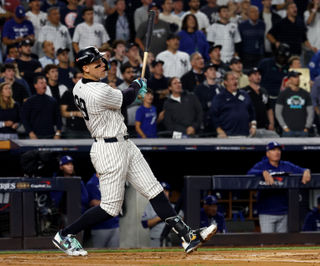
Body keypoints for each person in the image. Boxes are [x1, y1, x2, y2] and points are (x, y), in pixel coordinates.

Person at [52, 46, 217, 256]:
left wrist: (134, 89)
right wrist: (136, 85)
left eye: (102, 61)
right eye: (97, 63)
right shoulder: (97, 90)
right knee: (110, 207)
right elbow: (126, 98)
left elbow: (125, 96)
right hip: (108, 148)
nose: (103, 65)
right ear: (85, 68)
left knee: (154, 189)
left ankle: (186, 235)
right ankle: (65, 234)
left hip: (124, 143)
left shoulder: (79, 87)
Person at [247, 141, 311, 233]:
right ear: (267, 153)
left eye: (278, 150)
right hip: (266, 212)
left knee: (282, 244)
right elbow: (249, 174)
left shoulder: (286, 165)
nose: (277, 152)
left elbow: (302, 170)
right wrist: (262, 172)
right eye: (273, 150)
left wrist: (307, 171)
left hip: (283, 212)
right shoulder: (262, 165)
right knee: (268, 243)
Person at [210, 72, 256, 138]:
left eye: (236, 79)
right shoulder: (219, 97)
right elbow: (213, 115)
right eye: (232, 79)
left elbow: (252, 112)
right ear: (225, 82)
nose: (235, 81)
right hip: (227, 135)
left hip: (245, 135)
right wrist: (219, 130)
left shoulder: (245, 95)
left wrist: (253, 126)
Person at [275, 71, 314, 137]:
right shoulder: (283, 94)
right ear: (289, 79)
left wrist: (307, 127)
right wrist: (284, 127)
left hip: (303, 130)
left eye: (298, 77)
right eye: (295, 77)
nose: (297, 79)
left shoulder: (305, 93)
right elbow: (278, 112)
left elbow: (310, 112)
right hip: (288, 131)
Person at [86, 173, 120, 248]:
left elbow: (117, 200)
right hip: (100, 226)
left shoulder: (111, 180)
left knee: (115, 254)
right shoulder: (92, 183)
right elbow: (93, 203)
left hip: (114, 224)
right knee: (99, 254)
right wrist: (111, 202)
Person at [243, 67, 278, 138]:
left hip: (265, 127)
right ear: (249, 77)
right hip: (251, 128)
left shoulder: (264, 91)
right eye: (255, 74)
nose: (258, 76)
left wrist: (271, 123)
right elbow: (241, 110)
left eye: (259, 74)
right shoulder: (244, 91)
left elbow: (269, 109)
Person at [141, 182, 178, 247]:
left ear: (170, 193)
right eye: (162, 191)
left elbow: (184, 221)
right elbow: (144, 223)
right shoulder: (151, 206)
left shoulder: (174, 207)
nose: (164, 193)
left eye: (166, 191)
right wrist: (161, 217)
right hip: (156, 239)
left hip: (172, 240)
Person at [194, 63, 224, 135]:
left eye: (214, 70)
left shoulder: (221, 88)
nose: (214, 71)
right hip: (206, 122)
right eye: (211, 70)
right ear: (205, 73)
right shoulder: (199, 88)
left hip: (221, 120)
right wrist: (211, 104)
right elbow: (197, 105)